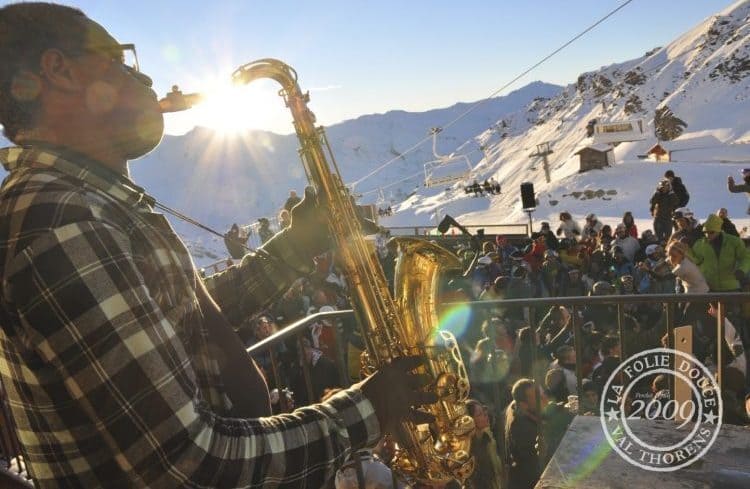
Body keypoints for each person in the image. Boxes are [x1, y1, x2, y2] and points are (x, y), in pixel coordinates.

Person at [0, 5, 435, 487]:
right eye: (121, 62)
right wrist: (369, 409)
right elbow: (189, 463)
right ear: (59, 71)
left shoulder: (90, 204)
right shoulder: (62, 222)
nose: (145, 83)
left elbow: (175, 319)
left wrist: (293, 248)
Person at [690, 214, 750, 292]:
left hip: (730, 286)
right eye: (705, 232)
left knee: (732, 304)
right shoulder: (699, 244)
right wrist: (686, 251)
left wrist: (742, 270)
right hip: (709, 287)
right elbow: (696, 260)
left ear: (719, 230)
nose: (708, 235)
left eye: (711, 232)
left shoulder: (734, 242)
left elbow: (745, 258)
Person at [504, 379, 541, 489]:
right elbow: (534, 460)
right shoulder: (522, 427)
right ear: (524, 405)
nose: (541, 398)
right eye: (536, 397)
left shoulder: (516, 406)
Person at [465, 400, 504, 489]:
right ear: (470, 420)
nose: (485, 415)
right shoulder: (469, 447)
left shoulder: (487, 438)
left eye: (484, 411)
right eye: (479, 414)